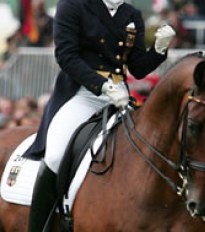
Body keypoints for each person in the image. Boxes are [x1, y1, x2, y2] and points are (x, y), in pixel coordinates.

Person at [24, 0, 176, 231]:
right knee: (55, 156)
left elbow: (137, 67)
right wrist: (102, 85)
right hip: (82, 94)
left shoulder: (130, 13)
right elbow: (66, 56)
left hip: (120, 98)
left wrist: (159, 49)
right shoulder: (73, 5)